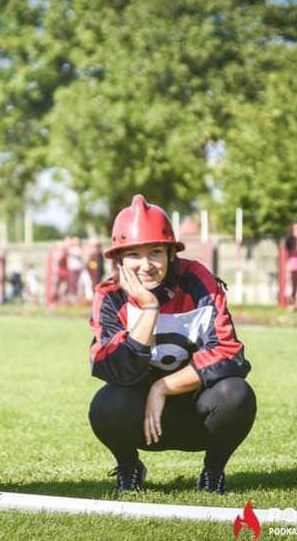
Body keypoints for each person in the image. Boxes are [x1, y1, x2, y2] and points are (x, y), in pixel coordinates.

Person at [88, 195, 256, 494]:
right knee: (106, 404)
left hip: (199, 412)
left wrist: (163, 387)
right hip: (141, 419)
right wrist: (149, 308)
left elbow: (229, 352)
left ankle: (213, 471)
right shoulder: (110, 295)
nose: (146, 265)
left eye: (155, 252)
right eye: (134, 255)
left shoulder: (197, 281)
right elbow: (113, 368)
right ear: (119, 261)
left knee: (237, 393)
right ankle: (129, 466)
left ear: (170, 254)